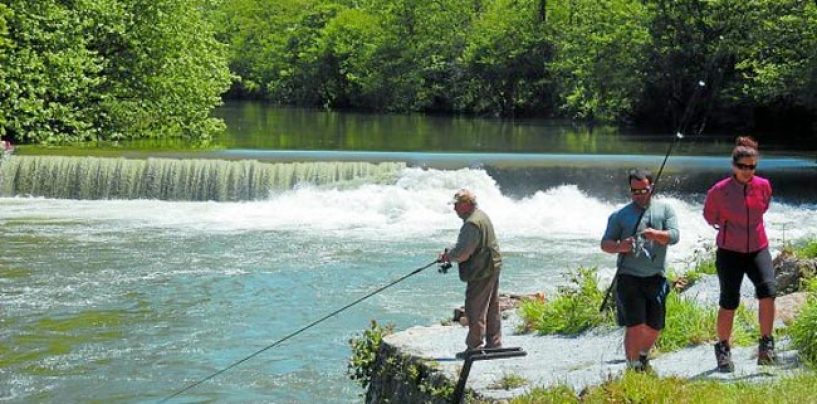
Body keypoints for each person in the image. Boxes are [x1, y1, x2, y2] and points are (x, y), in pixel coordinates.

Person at [703, 136, 776, 372]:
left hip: (757, 247)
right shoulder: (719, 191)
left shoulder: (763, 186)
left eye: (752, 167)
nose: (747, 171)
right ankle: (723, 348)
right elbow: (709, 216)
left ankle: (766, 345)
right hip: (729, 251)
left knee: (768, 291)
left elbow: (763, 207)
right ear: (734, 166)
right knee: (729, 300)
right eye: (742, 166)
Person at [601, 169, 679, 372]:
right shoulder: (620, 216)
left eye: (643, 190)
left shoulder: (665, 210)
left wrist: (656, 235)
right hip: (628, 276)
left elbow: (674, 236)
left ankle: (643, 356)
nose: (639, 195)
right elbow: (605, 244)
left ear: (651, 187)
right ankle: (632, 365)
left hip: (656, 276)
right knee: (635, 324)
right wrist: (620, 246)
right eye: (634, 191)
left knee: (655, 326)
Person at [439, 189, 503, 358]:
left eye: (457, 205)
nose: (454, 209)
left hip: (482, 270)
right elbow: (469, 247)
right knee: (491, 307)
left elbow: (464, 252)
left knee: (474, 308)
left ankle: (474, 348)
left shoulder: (471, 223)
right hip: (492, 265)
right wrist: (452, 253)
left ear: (466, 205)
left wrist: (447, 256)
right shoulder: (481, 215)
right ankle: (494, 344)